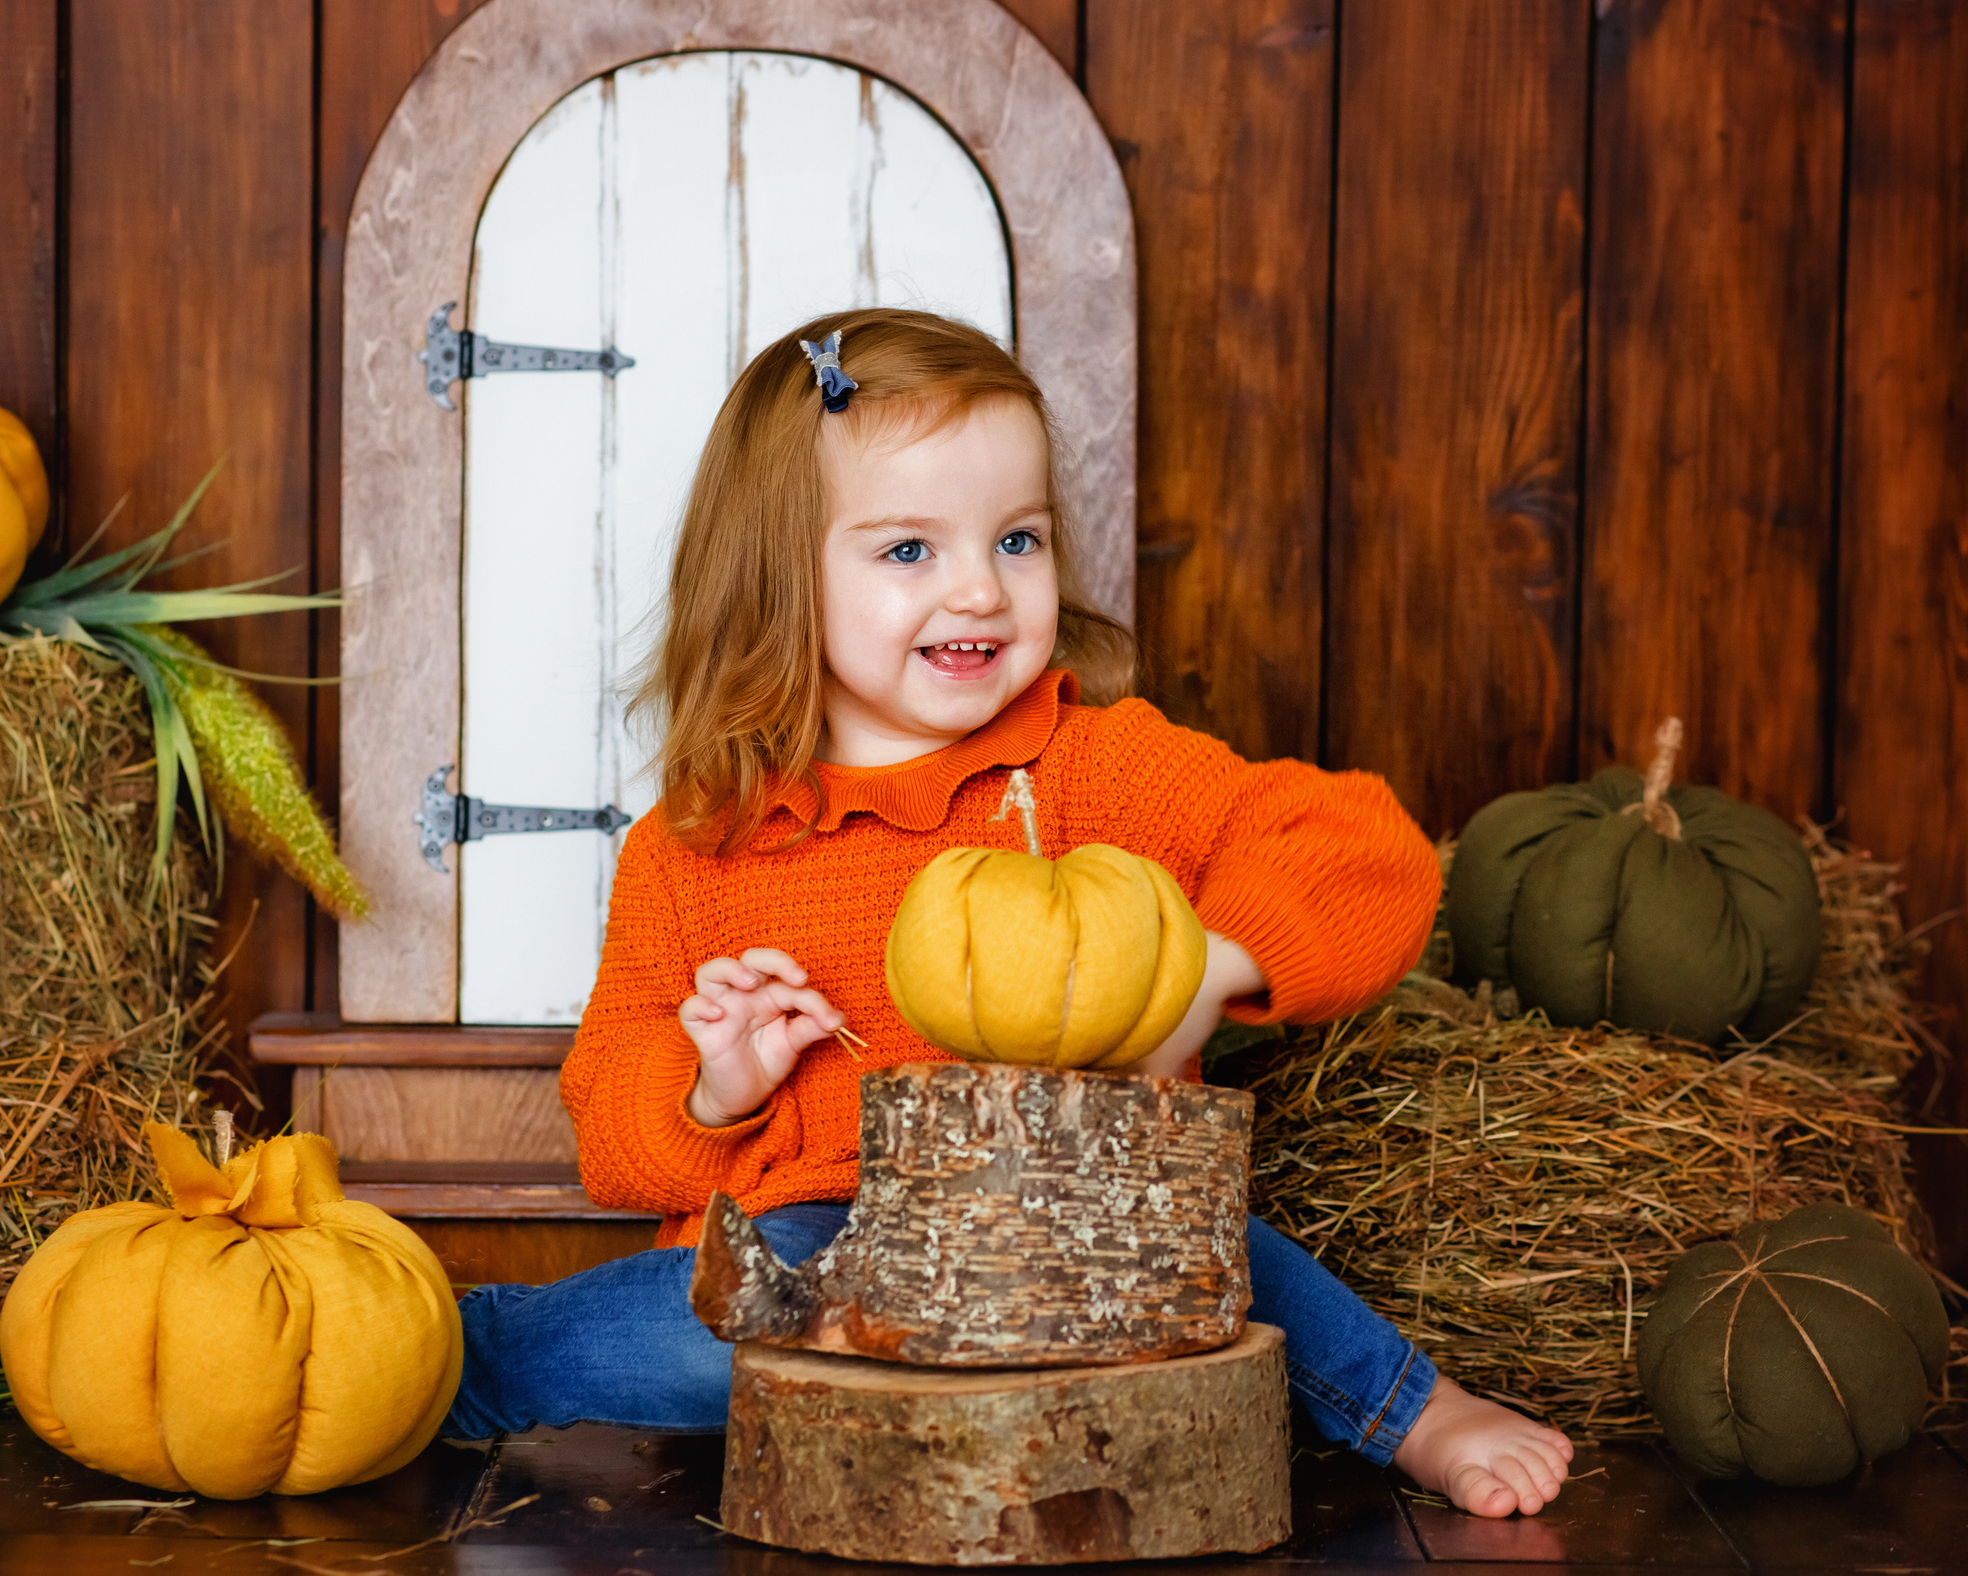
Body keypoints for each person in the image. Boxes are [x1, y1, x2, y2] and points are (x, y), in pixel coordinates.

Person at [442, 309, 1575, 1518]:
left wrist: (1204, 972)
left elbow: (1363, 850)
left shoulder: (1093, 771)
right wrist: (715, 1085)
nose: (981, 585)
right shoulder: (698, 844)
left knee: (1225, 1251)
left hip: (1087, 1227)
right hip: (830, 1255)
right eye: (908, 551)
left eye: (1017, 537)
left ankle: (1412, 1405)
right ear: (779, 574)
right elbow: (607, 1133)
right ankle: (451, 1366)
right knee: (694, 1316)